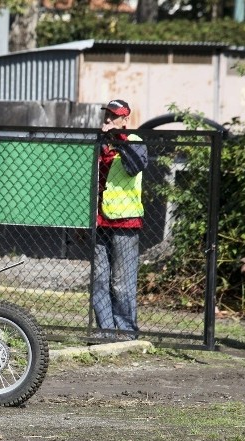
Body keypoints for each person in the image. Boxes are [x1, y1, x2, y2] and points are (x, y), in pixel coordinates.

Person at [91, 99, 149, 340]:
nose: (108, 120)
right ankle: (105, 331)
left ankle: (126, 334)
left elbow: (132, 167)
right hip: (98, 220)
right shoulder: (99, 144)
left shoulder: (135, 143)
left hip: (125, 221)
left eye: (114, 116)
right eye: (107, 115)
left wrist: (118, 140)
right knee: (99, 280)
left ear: (125, 121)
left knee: (121, 283)